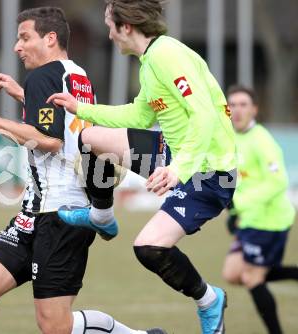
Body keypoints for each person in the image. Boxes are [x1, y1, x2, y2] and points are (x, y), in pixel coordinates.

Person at [0, 7, 166, 334]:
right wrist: (23, 94)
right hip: (34, 211)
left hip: (61, 214)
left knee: (55, 325)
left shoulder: (43, 76)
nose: (16, 47)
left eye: (24, 38)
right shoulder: (75, 74)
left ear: (50, 39)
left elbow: (48, 141)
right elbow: (64, 127)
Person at [47, 1, 237, 333]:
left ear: (127, 27)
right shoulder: (149, 62)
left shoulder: (167, 55)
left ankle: (209, 301)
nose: (108, 33)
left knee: (148, 248)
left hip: (208, 173)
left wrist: (178, 169)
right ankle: (101, 216)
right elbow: (139, 116)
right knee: (90, 137)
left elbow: (204, 115)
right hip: (173, 154)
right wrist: (82, 108)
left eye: (110, 25)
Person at [222, 85, 297, 334]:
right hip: (250, 219)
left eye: (244, 104)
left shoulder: (262, 139)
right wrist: (234, 213)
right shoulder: (230, 139)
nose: (238, 110)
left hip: (270, 221)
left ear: (254, 109)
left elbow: (278, 182)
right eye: (232, 105)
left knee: (252, 278)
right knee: (232, 273)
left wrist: (239, 207)